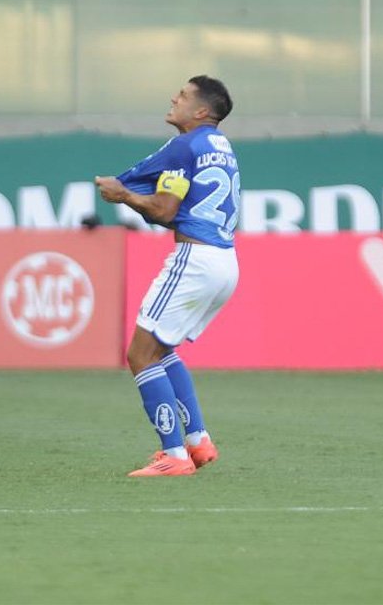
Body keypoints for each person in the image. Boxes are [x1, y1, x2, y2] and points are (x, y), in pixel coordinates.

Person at [95, 75, 239, 477]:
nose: (174, 98)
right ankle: (198, 441)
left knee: (140, 355)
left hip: (196, 259)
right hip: (225, 260)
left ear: (202, 111)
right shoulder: (219, 145)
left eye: (184, 95)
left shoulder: (185, 146)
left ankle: (174, 455)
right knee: (162, 350)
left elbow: (163, 210)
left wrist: (123, 194)